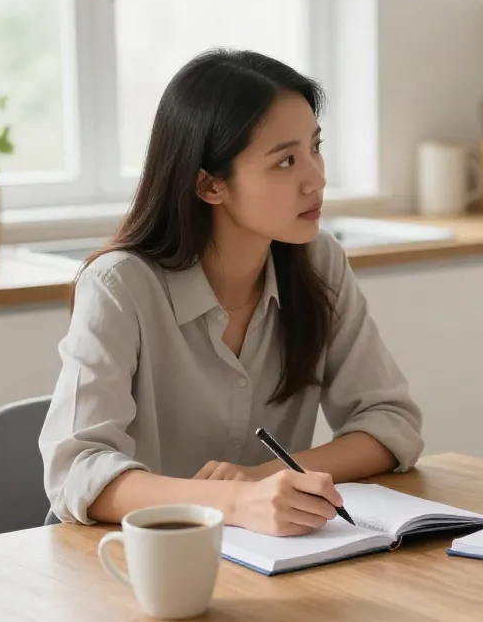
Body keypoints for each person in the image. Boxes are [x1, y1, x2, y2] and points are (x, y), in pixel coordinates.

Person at [40, 49, 423, 537]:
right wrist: (234, 500)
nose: (317, 178)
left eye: (315, 147)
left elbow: (391, 423)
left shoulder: (319, 261)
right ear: (210, 185)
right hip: (133, 562)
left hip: (268, 558)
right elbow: (76, 469)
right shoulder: (120, 285)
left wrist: (265, 480)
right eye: (285, 161)